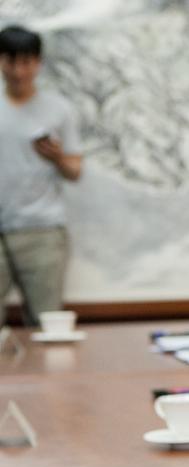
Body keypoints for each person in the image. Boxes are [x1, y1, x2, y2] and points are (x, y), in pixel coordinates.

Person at [0, 25, 82, 325]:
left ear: (38, 63)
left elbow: (75, 171)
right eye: (10, 61)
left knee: (46, 324)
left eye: (26, 61)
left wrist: (57, 156)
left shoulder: (58, 109)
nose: (18, 70)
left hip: (42, 230)